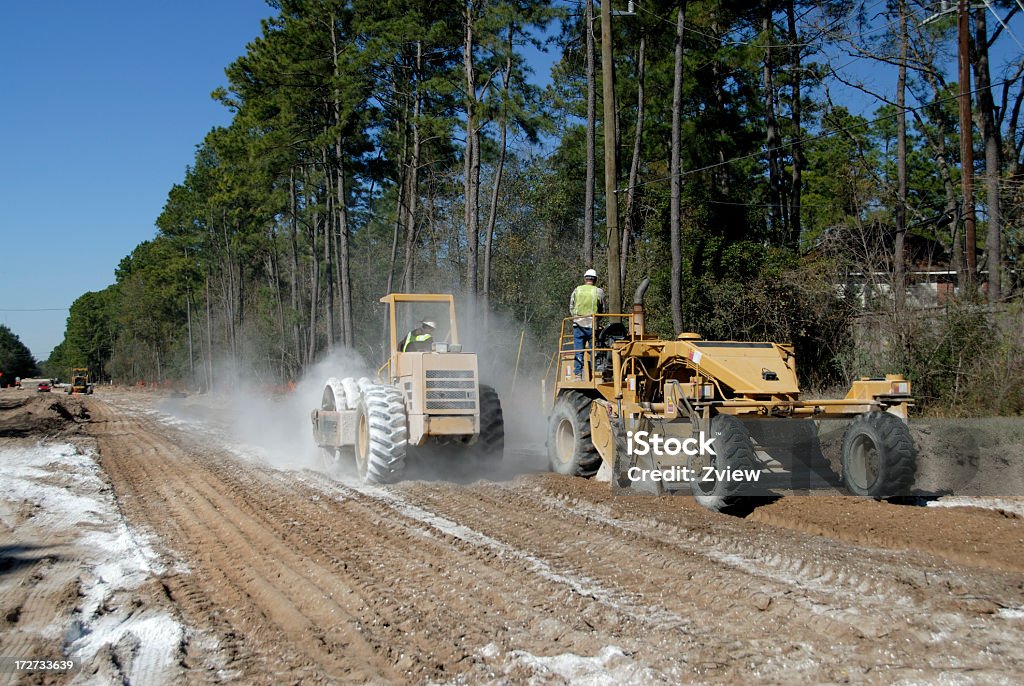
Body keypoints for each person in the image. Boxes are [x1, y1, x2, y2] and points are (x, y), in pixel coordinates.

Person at [569, 269, 606, 380]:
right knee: (593, 351)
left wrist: (576, 318)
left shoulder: (577, 290)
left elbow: (571, 307)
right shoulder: (598, 291)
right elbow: (603, 308)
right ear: (595, 280)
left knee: (578, 351)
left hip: (578, 325)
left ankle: (578, 375)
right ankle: (594, 374)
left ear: (585, 279)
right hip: (592, 325)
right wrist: (598, 318)